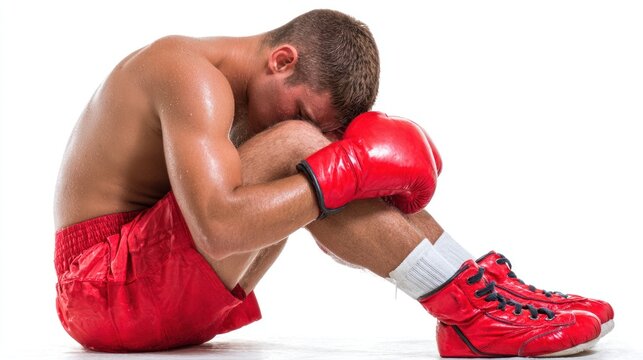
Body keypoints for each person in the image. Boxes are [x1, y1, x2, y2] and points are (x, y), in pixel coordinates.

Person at [54, 9, 612, 356]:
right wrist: (339, 168)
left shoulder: (252, 98)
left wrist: (346, 167)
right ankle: (468, 310)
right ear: (281, 59)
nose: (292, 124)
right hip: (98, 290)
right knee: (305, 152)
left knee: (320, 159)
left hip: (173, 299)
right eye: (298, 107)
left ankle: (482, 293)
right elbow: (220, 230)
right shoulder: (186, 71)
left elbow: (323, 226)